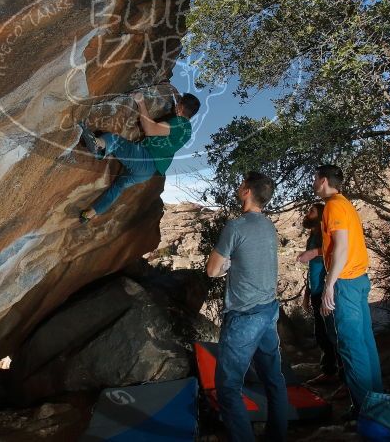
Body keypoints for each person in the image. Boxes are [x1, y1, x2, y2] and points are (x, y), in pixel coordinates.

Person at [205, 172, 288, 442]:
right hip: (268, 311)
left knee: (228, 388)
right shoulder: (268, 225)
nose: (239, 187)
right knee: (273, 379)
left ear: (247, 192)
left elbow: (212, 270)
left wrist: (227, 263)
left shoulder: (236, 226)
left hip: (244, 316)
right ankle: (278, 436)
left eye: (241, 185)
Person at [298, 165, 383, 419]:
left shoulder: (333, 206)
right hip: (358, 279)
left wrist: (328, 286)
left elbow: (342, 248)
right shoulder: (345, 204)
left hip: (345, 282)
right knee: (365, 342)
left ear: (323, 180)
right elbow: (339, 246)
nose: (313, 183)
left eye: (315, 179)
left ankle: (364, 410)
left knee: (350, 345)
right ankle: (376, 401)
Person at [77, 88, 200, 222]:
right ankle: (88, 215)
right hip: (147, 172)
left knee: (114, 140)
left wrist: (140, 101)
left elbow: (150, 129)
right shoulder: (187, 132)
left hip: (144, 159)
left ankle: (97, 145)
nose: (175, 106)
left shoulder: (181, 122)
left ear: (181, 106)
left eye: (178, 103)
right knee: (118, 186)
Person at [298, 202, 341, 385]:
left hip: (326, 291)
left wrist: (313, 252)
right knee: (322, 334)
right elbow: (312, 269)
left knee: (333, 334)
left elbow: (335, 251)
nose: (308, 214)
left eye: (312, 211)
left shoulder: (325, 233)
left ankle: (344, 377)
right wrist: (307, 293)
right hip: (316, 291)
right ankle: (329, 371)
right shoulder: (313, 235)